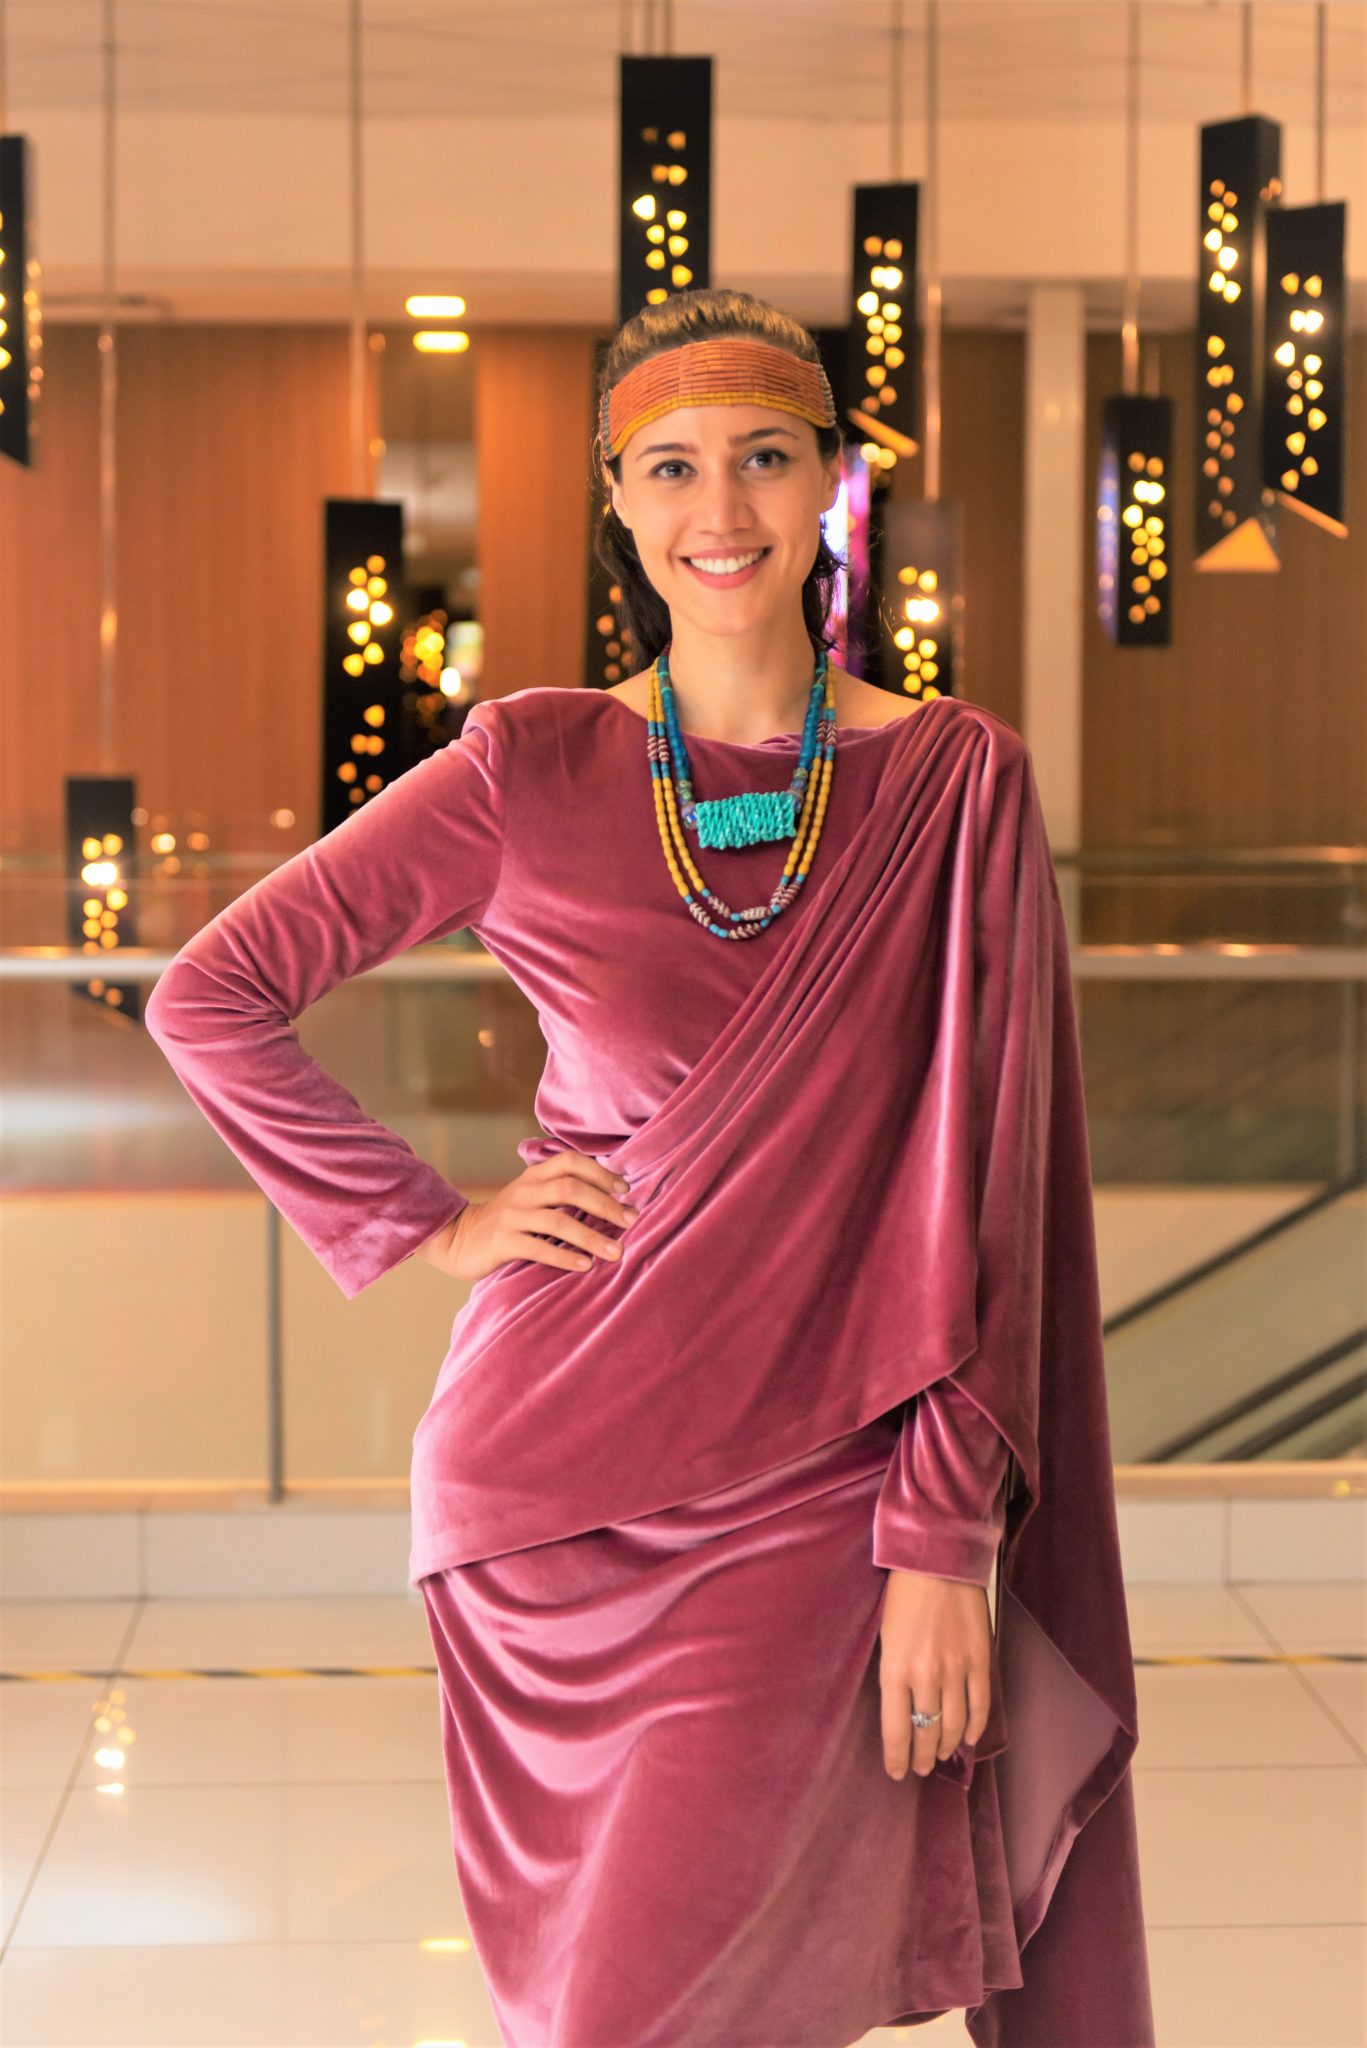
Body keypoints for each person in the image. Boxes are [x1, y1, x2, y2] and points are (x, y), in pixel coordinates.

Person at [145, 287, 1155, 2047]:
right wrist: (431, 1223)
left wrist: (942, 1536)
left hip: (828, 1493)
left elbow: (988, 1189)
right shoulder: (529, 764)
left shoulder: (956, 781)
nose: (723, 508)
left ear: (832, 482)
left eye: (766, 458)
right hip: (549, 1486)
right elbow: (211, 997)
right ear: (617, 502)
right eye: (672, 467)